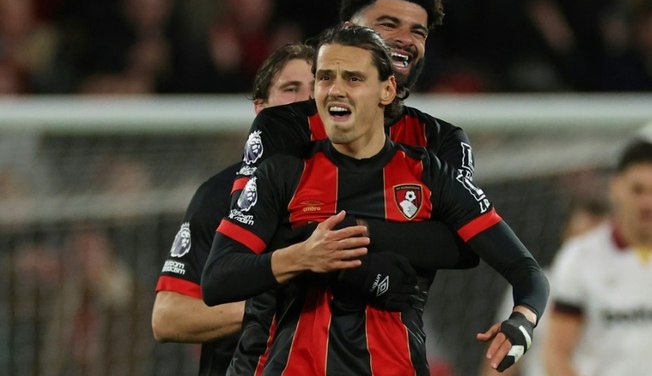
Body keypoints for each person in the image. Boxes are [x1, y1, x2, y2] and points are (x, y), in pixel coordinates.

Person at [202, 25, 549, 375]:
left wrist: (522, 320)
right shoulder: (283, 173)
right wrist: (303, 256)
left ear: (387, 90)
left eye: (353, 79)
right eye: (325, 78)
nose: (335, 90)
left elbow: (526, 270)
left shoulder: (430, 175)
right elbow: (217, 279)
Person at [223, 0, 483, 373]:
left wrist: (344, 230)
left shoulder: (441, 141)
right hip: (276, 358)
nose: (405, 40)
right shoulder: (285, 126)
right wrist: (370, 259)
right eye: (388, 24)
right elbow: (253, 240)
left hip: (393, 359)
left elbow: (463, 246)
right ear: (348, 30)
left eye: (419, 31)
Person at [152, 42, 316, 375]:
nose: (306, 100)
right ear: (261, 107)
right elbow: (167, 317)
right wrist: (265, 309)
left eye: (317, 87)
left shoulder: (361, 189)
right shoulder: (219, 195)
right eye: (290, 89)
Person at [542, 138, 652, 376]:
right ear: (615, 188)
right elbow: (556, 353)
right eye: (638, 190)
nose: (647, 202)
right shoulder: (580, 258)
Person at [479, 196, 608, 376]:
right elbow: (500, 362)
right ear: (566, 236)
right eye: (579, 241)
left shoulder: (628, 290)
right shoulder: (531, 288)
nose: (584, 252)